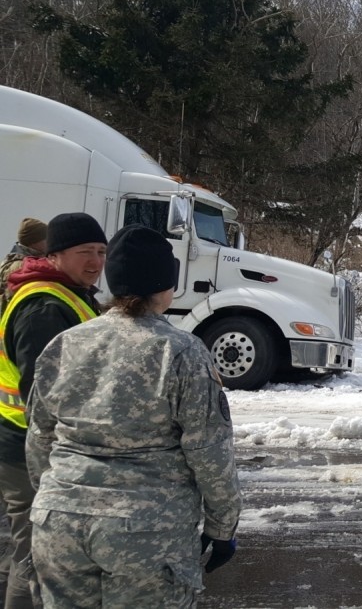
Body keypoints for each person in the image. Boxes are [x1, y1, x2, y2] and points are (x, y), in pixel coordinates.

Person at [25, 225, 241, 607]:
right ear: (166, 283)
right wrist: (222, 527)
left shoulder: (66, 344)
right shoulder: (182, 351)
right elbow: (209, 450)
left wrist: (56, 494)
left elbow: (40, 436)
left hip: (59, 524)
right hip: (147, 530)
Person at [0, 212, 106, 609]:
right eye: (84, 252)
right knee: (36, 556)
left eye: (100, 251)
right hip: (26, 449)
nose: (95, 262)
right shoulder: (43, 306)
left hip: (32, 445)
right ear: (56, 253)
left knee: (28, 552)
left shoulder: (68, 290)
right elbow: (42, 395)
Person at [0, 219, 48, 308]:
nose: (49, 243)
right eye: (46, 239)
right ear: (35, 242)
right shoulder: (19, 266)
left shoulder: (26, 260)